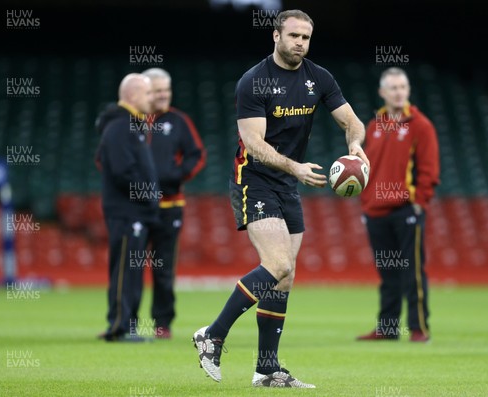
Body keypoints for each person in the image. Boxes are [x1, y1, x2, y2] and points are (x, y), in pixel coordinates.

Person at [192, 9, 369, 388]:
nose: (300, 43)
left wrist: (355, 143)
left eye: (306, 37)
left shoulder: (319, 77)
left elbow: (352, 121)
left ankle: (267, 369)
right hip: (253, 179)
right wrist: (297, 168)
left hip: (288, 185)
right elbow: (254, 145)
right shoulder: (253, 82)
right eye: (293, 36)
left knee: (284, 279)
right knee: (276, 264)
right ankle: (213, 335)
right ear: (276, 36)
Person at [356, 67, 439, 343]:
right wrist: (365, 203)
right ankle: (388, 328)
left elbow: (429, 171)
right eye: (393, 87)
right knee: (387, 273)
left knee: (412, 271)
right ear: (382, 92)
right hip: (375, 211)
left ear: (409, 90)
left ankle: (418, 328)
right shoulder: (373, 126)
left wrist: (419, 203)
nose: (398, 92)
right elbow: (364, 169)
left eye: (403, 87)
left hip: (406, 210)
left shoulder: (420, 125)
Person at [141, 68, 206, 339]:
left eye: (166, 90)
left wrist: (176, 176)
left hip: (170, 206)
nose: (163, 95)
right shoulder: (131, 121)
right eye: (158, 91)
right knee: (129, 267)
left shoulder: (179, 121)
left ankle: (162, 323)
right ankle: (125, 321)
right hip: (136, 206)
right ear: (146, 93)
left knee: (163, 267)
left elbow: (197, 155)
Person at [95, 73, 159, 342]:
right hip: (127, 210)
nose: (152, 99)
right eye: (148, 93)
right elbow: (122, 171)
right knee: (124, 268)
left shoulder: (131, 125)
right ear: (132, 95)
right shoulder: (121, 126)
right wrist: (147, 196)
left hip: (134, 212)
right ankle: (120, 326)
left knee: (131, 270)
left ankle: (127, 324)